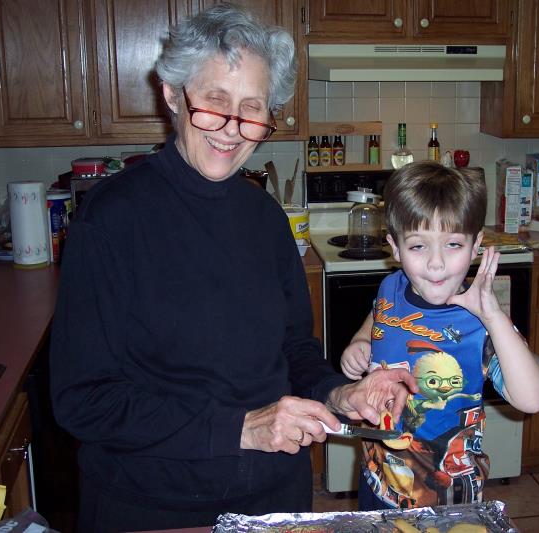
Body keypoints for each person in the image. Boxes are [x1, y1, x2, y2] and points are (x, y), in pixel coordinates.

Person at [49, 4, 416, 532]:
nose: (232, 129)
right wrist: (242, 428)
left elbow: (294, 350)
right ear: (172, 94)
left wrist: (340, 393)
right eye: (214, 102)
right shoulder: (110, 220)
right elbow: (84, 400)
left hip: (274, 496)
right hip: (156, 506)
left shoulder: (266, 218)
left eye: (252, 109)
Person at [340, 161, 539, 510]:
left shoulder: (480, 322)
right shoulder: (392, 285)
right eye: (418, 247)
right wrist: (361, 341)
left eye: (453, 244)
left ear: (476, 245)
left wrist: (494, 317)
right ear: (395, 247)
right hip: (378, 478)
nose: (436, 263)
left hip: (446, 497)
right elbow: (379, 314)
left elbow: (533, 399)